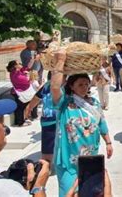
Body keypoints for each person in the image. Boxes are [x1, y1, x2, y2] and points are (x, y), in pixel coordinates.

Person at [49, 50, 113, 196]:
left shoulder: (94, 103)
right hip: (68, 161)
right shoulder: (64, 104)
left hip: (90, 159)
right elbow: (54, 88)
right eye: (80, 85)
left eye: (86, 84)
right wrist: (60, 62)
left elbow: (101, 123)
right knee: (68, 192)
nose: (85, 87)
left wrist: (108, 142)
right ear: (71, 86)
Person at [25, 73, 61, 164]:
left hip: (49, 119)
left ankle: (47, 166)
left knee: (48, 146)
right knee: (50, 145)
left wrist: (29, 108)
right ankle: (47, 165)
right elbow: (37, 97)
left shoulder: (46, 86)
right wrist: (29, 107)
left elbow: (37, 97)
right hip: (53, 119)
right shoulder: (50, 86)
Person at [7, 60, 36, 125]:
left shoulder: (17, 72)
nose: (21, 63)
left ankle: (22, 120)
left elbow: (27, 67)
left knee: (21, 107)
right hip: (19, 93)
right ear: (15, 66)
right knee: (20, 107)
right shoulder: (16, 75)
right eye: (19, 63)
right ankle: (20, 122)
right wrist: (31, 76)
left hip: (20, 92)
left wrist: (33, 59)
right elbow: (28, 82)